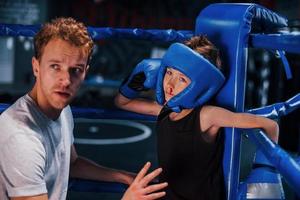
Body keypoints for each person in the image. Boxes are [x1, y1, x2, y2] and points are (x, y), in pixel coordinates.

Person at [0, 17, 167, 200]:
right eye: (55, 66)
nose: (66, 81)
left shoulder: (62, 109)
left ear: (85, 72)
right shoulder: (20, 136)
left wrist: (121, 176)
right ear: (36, 67)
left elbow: (72, 163)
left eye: (76, 70)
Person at [115, 35, 279, 200]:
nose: (170, 84)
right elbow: (122, 103)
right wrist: (136, 80)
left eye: (182, 79)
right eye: (169, 72)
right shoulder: (165, 110)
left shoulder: (207, 116)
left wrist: (265, 174)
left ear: (200, 84)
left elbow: (270, 125)